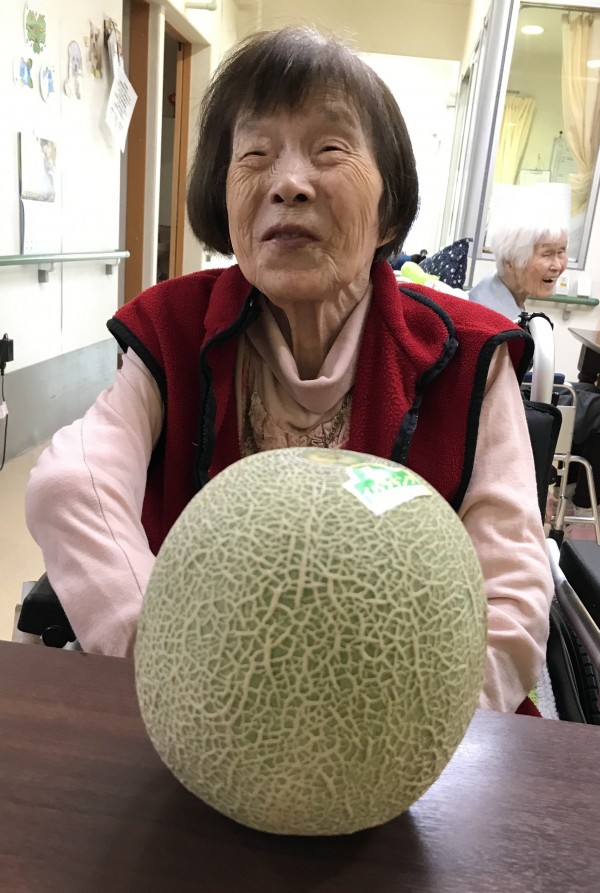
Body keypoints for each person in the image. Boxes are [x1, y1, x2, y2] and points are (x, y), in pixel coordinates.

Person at [25, 25, 553, 715]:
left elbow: (511, 583)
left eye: (330, 150)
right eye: (255, 154)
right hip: (207, 720)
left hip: (407, 734)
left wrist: (417, 728)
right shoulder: (174, 327)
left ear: (389, 207)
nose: (289, 184)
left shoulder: (469, 351)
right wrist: (171, 671)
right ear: (224, 200)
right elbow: (73, 485)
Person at [469, 217, 568, 321]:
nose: (558, 266)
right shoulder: (488, 317)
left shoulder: (494, 291)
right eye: (546, 254)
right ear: (510, 261)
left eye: (561, 252)